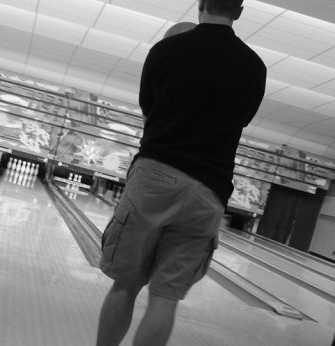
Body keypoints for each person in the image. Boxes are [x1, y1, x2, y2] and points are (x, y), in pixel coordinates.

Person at [96, 1, 267, 345]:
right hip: (209, 190)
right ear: (241, 11)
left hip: (155, 174)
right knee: (165, 297)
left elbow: (150, 112)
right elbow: (241, 119)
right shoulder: (255, 67)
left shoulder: (167, 50)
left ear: (201, 4)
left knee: (125, 284)